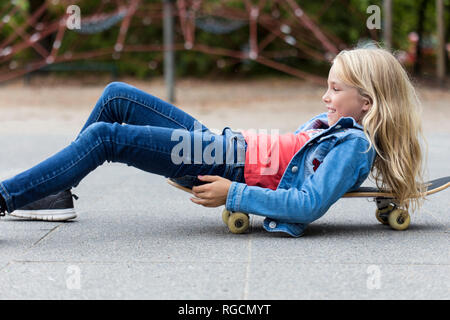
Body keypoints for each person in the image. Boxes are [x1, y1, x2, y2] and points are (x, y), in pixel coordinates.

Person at [0, 47, 426, 237]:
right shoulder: (342, 127)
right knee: (117, 96)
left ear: (366, 103)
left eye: (334, 90)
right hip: (223, 145)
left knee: (104, 138)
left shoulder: (354, 146)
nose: (324, 97)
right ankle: (55, 192)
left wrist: (234, 194)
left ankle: (6, 197)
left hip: (222, 160)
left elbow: (308, 205)